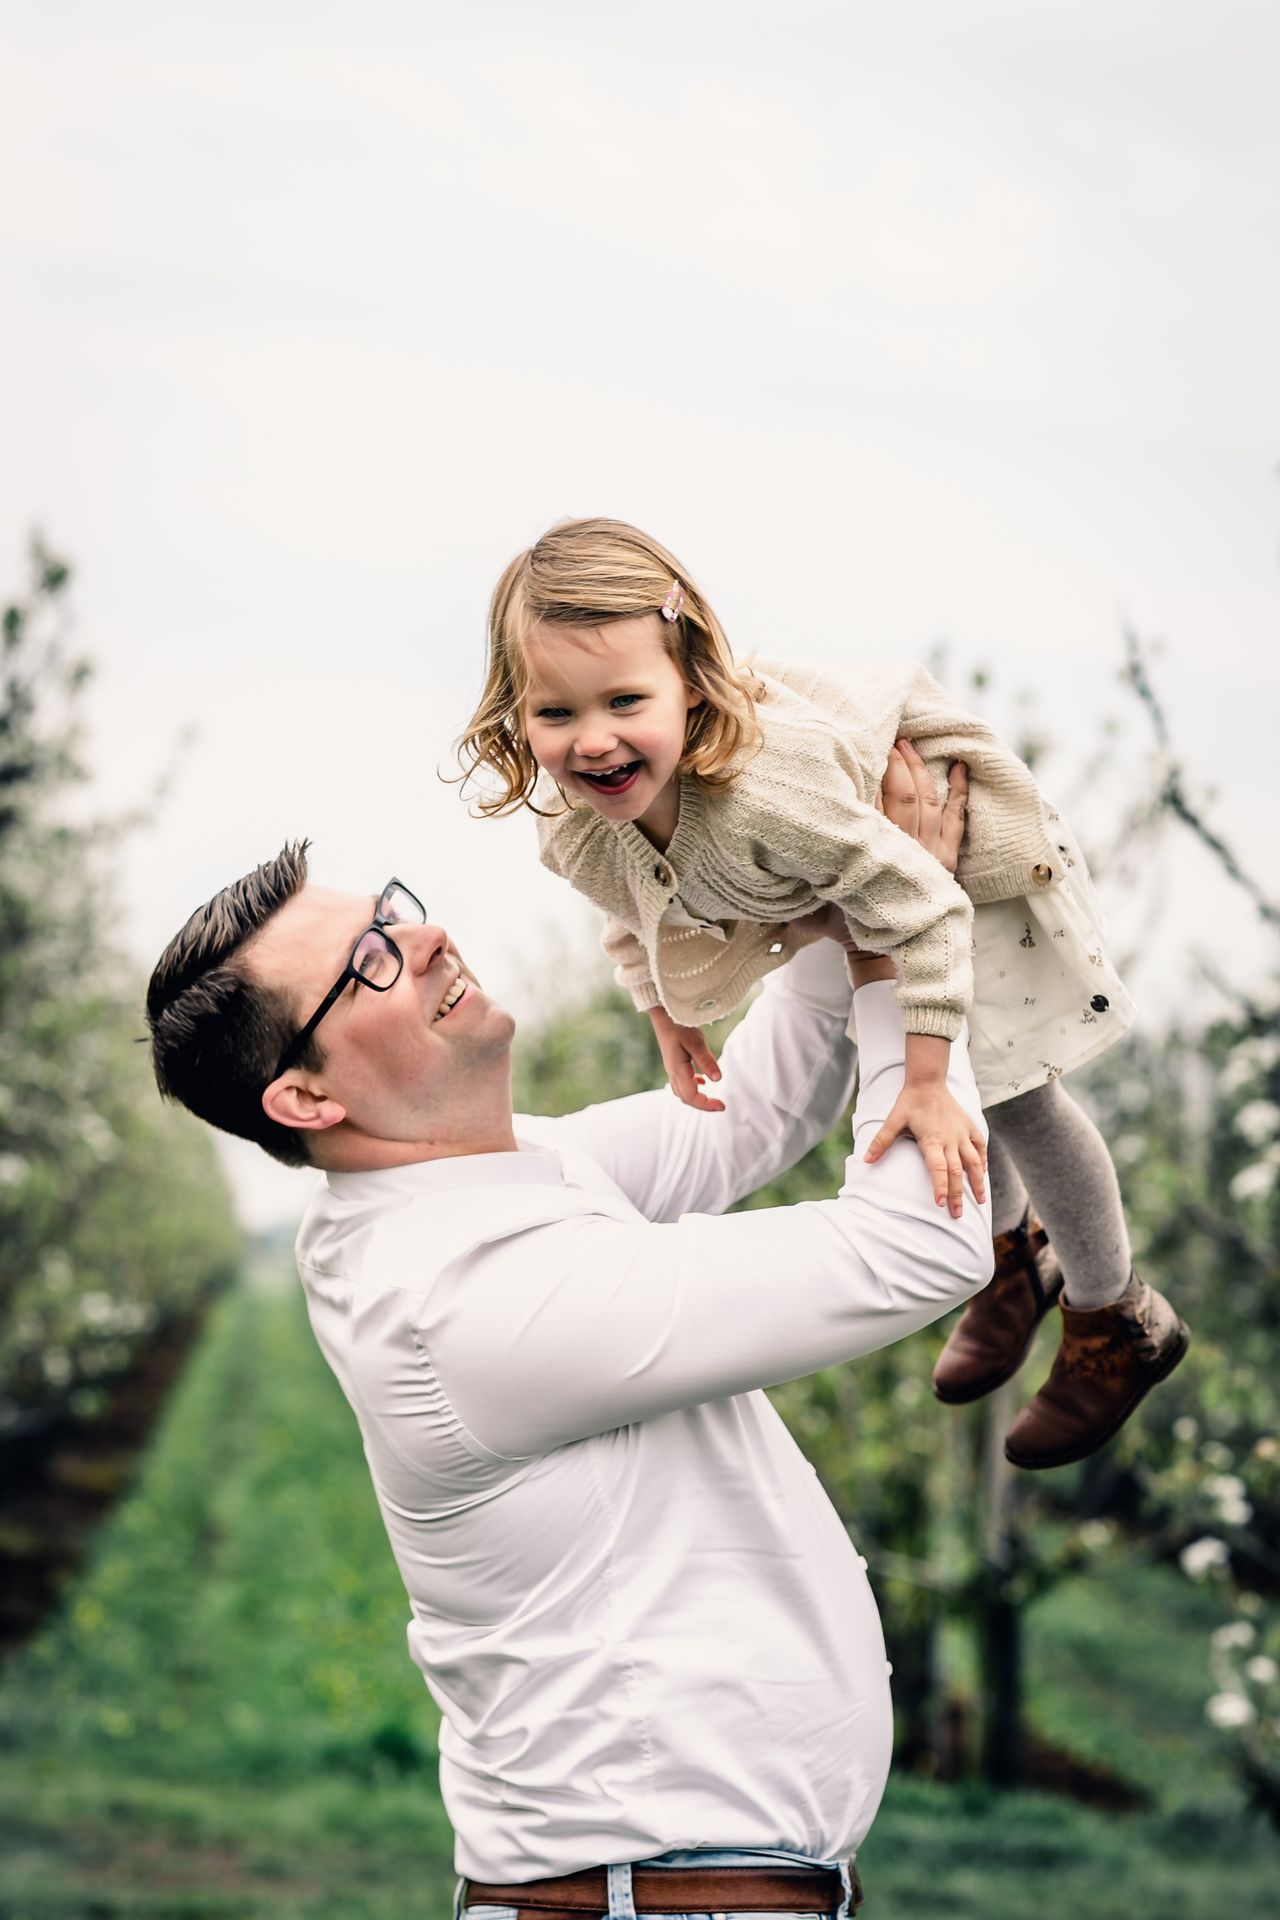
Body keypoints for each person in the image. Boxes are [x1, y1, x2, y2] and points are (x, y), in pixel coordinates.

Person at [146, 749, 990, 1919]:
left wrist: (855, 884)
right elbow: (917, 1247)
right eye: (369, 964)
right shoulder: (467, 1303)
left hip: (669, 1890)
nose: (426, 938)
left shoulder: (478, 1184)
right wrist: (910, 946)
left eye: (392, 913)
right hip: (653, 1899)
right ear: (304, 1099)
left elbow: (748, 1120)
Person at [455, 517, 1188, 1471]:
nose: (591, 742)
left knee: (1007, 1087)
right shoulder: (579, 824)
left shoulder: (770, 799)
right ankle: (1015, 1258)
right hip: (853, 879)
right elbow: (628, 909)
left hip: (949, 848)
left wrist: (926, 1076)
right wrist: (667, 1014)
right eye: (555, 715)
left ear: (692, 683)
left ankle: (1116, 1312)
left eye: (624, 700)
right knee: (972, 1091)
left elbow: (921, 908)